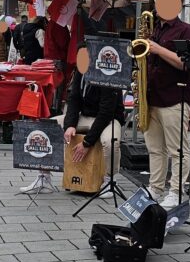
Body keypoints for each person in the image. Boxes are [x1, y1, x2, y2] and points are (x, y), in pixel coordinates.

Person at [144, 0, 190, 210]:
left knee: (178, 150)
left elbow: (188, 64)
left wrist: (158, 50)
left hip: (175, 96)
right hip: (152, 96)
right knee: (155, 148)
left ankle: (176, 191)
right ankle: (155, 188)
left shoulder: (186, 30)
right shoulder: (154, 29)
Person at [36, 67, 126, 196]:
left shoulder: (109, 73)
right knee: (46, 127)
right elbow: (73, 99)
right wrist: (70, 125)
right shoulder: (81, 69)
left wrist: (87, 142)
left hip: (109, 118)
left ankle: (109, 180)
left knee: (111, 141)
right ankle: (44, 177)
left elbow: (106, 112)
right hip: (84, 116)